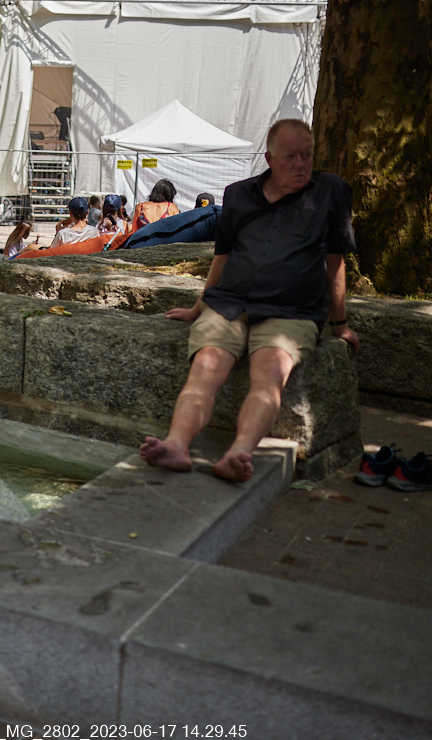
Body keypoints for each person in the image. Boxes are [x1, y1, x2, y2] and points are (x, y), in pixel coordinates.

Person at [140, 118, 359, 483]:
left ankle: (239, 452)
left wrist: (340, 325)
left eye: (307, 155)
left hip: (292, 311)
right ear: (270, 158)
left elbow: (335, 265)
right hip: (230, 304)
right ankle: (177, 444)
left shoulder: (332, 192)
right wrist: (198, 308)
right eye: (291, 156)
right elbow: (222, 260)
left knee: (270, 374)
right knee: (206, 366)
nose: (301, 164)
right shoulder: (239, 195)